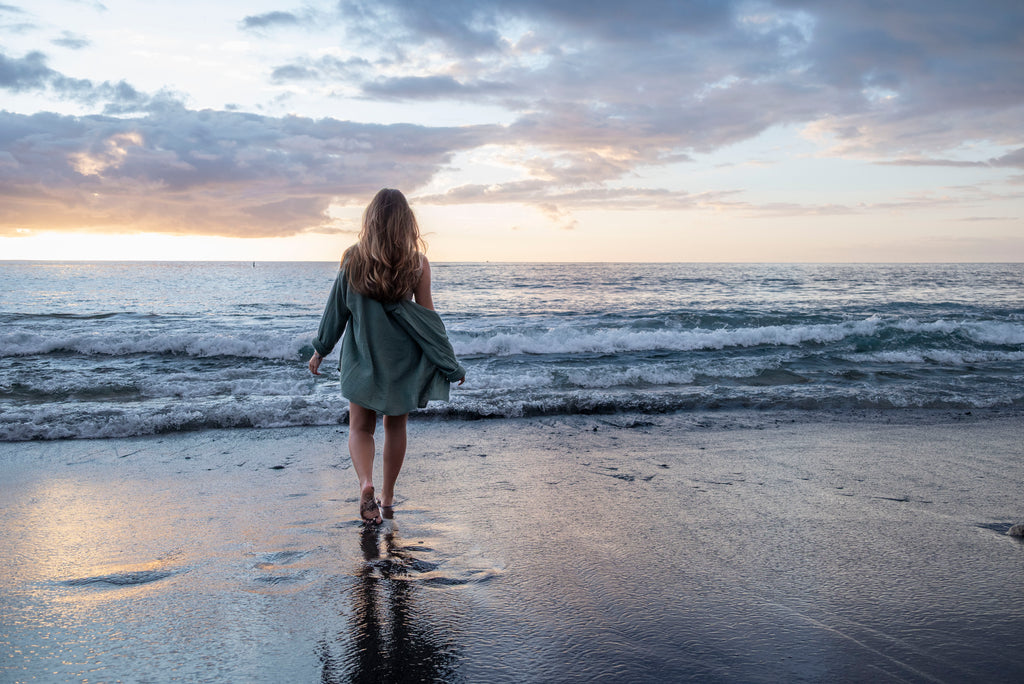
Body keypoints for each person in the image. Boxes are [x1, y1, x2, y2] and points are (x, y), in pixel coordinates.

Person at [308, 188, 466, 524]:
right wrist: (450, 364)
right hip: (400, 363)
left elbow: (336, 310)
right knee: (395, 426)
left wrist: (321, 349)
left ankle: (365, 483)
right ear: (407, 223)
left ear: (371, 222)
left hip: (362, 358)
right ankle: (388, 495)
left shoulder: (352, 259)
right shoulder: (416, 264)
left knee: (360, 428)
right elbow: (429, 322)